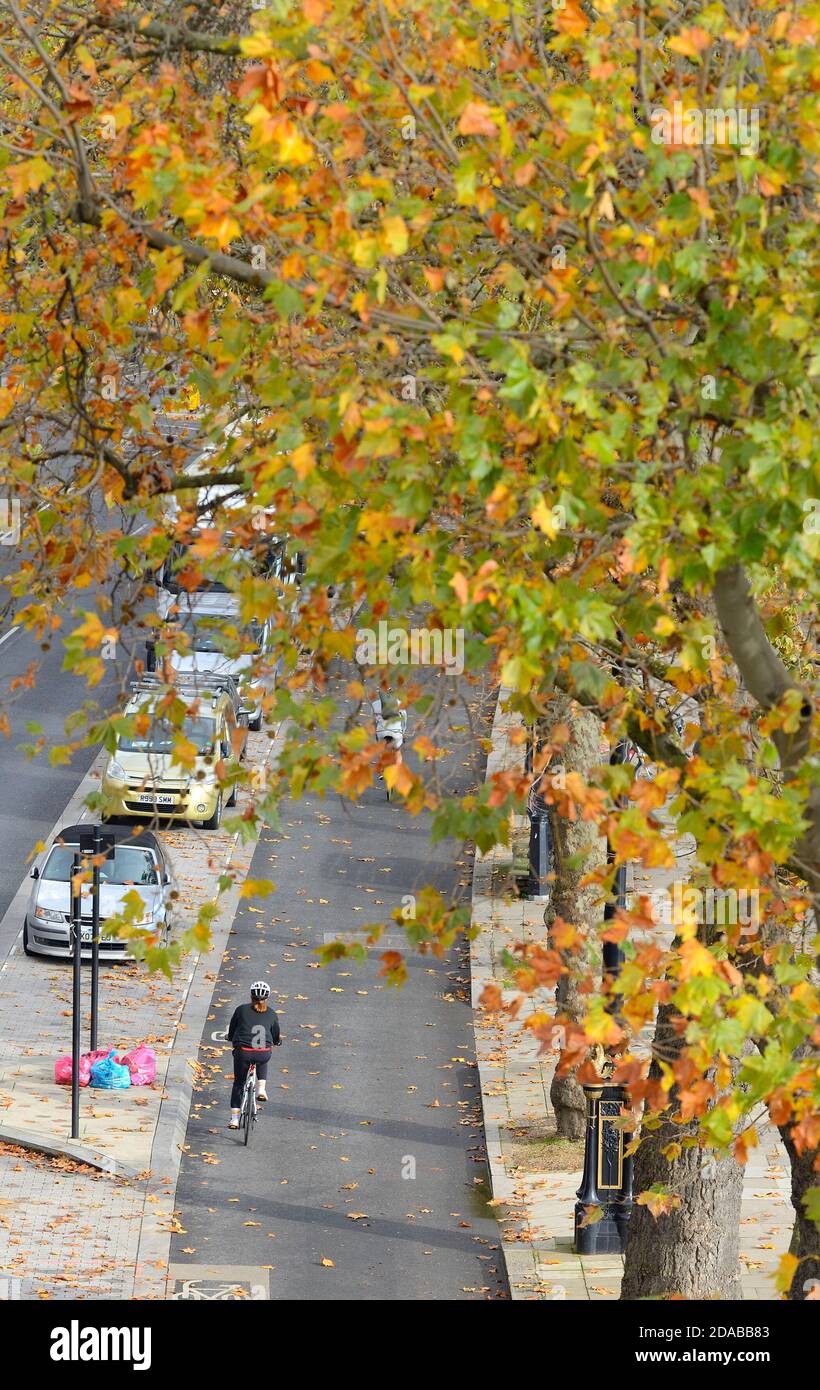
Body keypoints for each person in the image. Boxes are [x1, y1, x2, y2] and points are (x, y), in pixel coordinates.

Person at [227, 981, 281, 1129]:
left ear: (251, 995)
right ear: (267, 998)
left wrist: (230, 1037)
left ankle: (235, 1119)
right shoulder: (272, 1013)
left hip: (243, 1052)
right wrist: (276, 1041)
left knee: (239, 1083)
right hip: (263, 1053)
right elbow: (276, 1035)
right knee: (263, 1059)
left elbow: (232, 1029)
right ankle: (261, 1088)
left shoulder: (241, 1010)